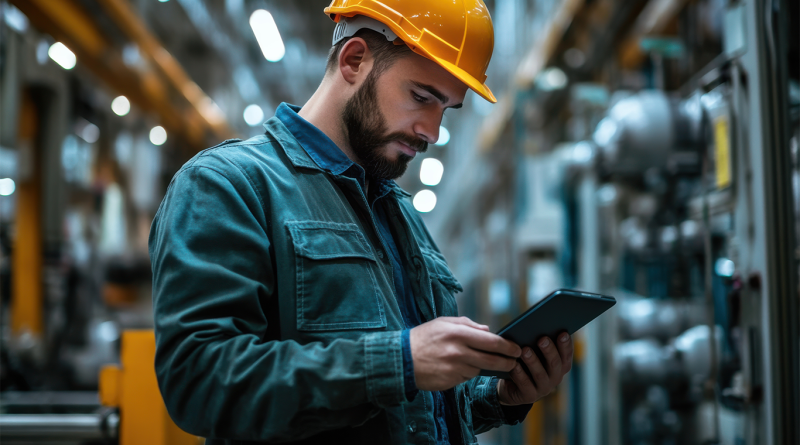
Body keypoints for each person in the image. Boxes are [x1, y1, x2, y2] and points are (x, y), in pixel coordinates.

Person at [149, 1, 574, 443]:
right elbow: (198, 382)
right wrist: (398, 363)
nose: (432, 130)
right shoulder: (229, 185)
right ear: (354, 60)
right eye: (422, 96)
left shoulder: (398, 212)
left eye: (445, 108)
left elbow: (414, 407)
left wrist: (500, 395)